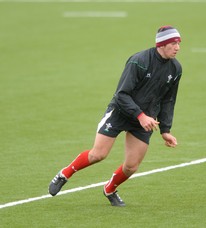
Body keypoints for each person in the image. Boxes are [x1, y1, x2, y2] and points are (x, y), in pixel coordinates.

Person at [48, 26, 183, 207]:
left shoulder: (176, 69)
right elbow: (122, 94)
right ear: (162, 44)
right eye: (174, 43)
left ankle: (110, 189)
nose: (178, 47)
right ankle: (64, 174)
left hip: (144, 120)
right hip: (121, 112)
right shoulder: (139, 61)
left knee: (131, 166)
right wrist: (140, 115)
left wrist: (166, 130)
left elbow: (168, 100)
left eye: (178, 43)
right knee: (98, 154)